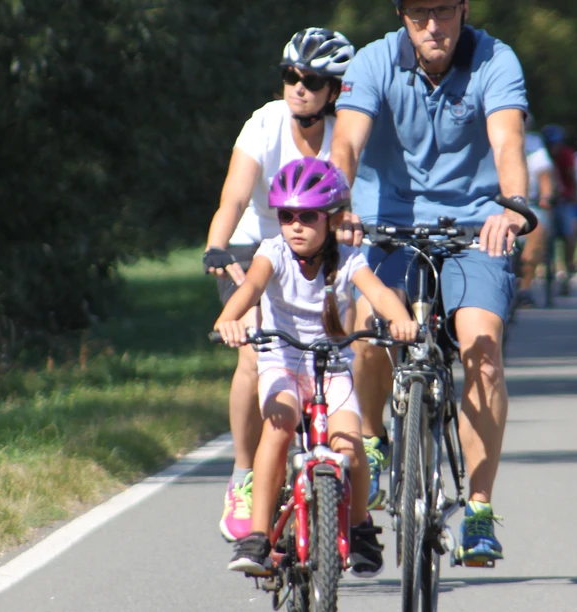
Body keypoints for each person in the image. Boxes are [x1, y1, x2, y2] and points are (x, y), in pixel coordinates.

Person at [331, 0, 531, 566]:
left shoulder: (496, 59)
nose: (433, 26)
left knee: (483, 352)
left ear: (463, 10)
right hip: (386, 225)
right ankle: (373, 440)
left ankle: (480, 511)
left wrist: (512, 207)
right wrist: (339, 200)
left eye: (444, 11)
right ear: (402, 16)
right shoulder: (372, 62)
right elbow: (345, 143)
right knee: (369, 331)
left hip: (476, 230)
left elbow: (508, 144)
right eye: (420, 14)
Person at [217, 158, 418, 578]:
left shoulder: (348, 259)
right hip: (283, 361)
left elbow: (378, 293)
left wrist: (401, 320)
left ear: (331, 219)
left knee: (351, 446)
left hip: (330, 366)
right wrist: (230, 318)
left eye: (307, 216)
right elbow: (251, 287)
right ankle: (257, 536)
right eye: (286, 216)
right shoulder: (272, 253)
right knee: (278, 427)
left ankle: (360, 526)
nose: (295, 225)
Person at [202, 27, 354, 543]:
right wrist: (217, 247)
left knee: (354, 333)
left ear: (333, 89)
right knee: (253, 347)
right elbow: (234, 198)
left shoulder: (346, 134)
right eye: (290, 76)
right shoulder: (264, 125)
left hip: (320, 247)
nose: (298, 88)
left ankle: (352, 446)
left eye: (311, 80)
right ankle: (244, 478)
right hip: (254, 249)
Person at [517, 120, 556, 306]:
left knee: (537, 228)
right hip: (494, 202)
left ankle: (525, 286)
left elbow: (544, 175)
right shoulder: (489, 137)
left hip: (528, 203)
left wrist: (546, 196)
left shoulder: (534, 144)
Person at [543, 124, 577, 294]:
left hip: (564, 199)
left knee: (569, 232)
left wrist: (574, 197)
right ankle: (546, 266)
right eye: (550, 144)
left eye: (556, 144)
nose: (553, 148)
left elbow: (572, 177)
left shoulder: (567, 155)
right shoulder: (540, 156)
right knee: (544, 234)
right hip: (545, 201)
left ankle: (568, 267)